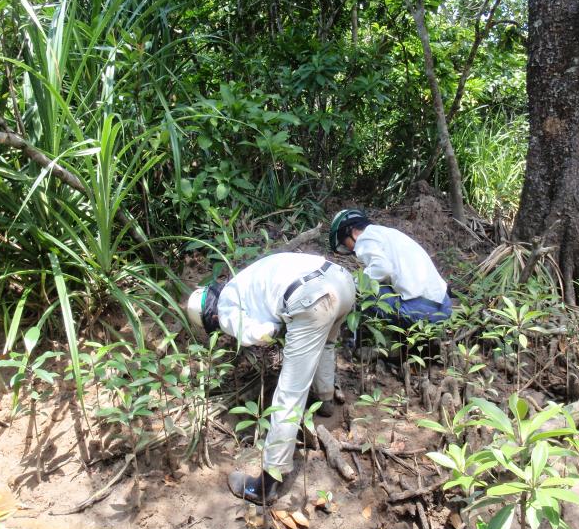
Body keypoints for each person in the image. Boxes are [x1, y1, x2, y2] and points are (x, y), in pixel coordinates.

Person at [186, 252, 355, 503]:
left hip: (311, 299)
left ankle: (266, 485)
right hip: (341, 281)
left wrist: (272, 331)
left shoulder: (223, 308)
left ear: (210, 316)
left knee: (289, 394)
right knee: (326, 345)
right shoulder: (242, 282)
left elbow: (260, 333)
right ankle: (326, 399)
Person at [329, 209, 452, 326]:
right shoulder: (387, 233)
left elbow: (382, 268)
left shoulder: (364, 239)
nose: (350, 250)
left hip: (423, 311)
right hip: (443, 306)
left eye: (346, 244)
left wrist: (354, 284)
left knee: (365, 290)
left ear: (354, 232)